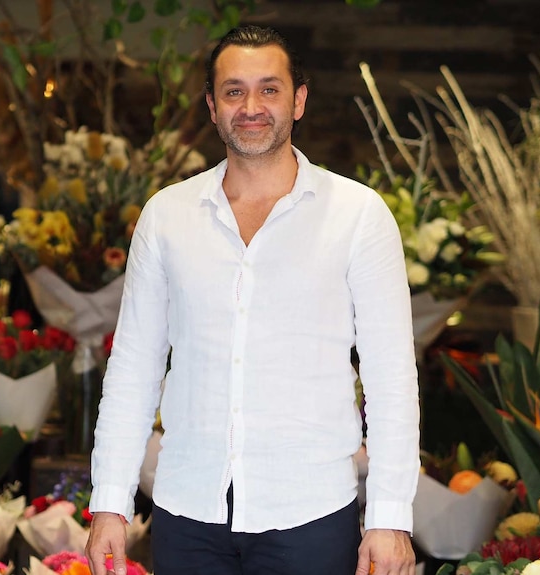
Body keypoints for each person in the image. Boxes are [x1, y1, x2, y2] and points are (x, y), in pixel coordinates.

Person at [85, 25, 419, 575]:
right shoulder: (166, 217)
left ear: (299, 99)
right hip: (187, 513)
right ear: (212, 107)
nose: (252, 106)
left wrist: (389, 517)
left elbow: (391, 378)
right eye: (234, 91)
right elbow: (133, 368)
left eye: (269, 89)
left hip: (310, 512)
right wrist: (109, 501)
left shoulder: (358, 216)